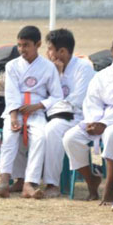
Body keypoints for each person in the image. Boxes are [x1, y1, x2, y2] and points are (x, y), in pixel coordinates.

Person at [0, 26, 62, 199]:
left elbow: (57, 95)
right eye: (19, 45)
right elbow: (10, 92)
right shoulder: (12, 66)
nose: (21, 50)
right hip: (14, 111)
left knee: (40, 137)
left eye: (26, 45)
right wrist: (13, 116)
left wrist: (38, 105)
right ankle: (4, 181)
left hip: (36, 111)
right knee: (10, 136)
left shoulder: (48, 67)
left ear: (38, 44)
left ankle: (29, 183)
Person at [63, 34, 113, 205]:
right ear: (112, 51)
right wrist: (93, 121)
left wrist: (105, 123)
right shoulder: (101, 76)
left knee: (111, 134)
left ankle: (109, 187)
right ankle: (91, 181)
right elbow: (92, 101)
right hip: (97, 119)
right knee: (71, 138)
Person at [42, 29, 95, 197]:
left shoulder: (83, 68)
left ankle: (52, 184)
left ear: (62, 51)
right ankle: (29, 180)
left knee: (53, 129)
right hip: (55, 115)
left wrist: (52, 104)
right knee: (37, 127)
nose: (47, 53)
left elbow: (76, 101)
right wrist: (55, 75)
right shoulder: (51, 68)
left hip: (78, 117)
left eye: (50, 49)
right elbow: (44, 95)